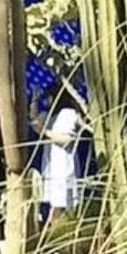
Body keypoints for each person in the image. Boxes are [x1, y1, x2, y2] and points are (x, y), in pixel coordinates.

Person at [40, 83, 83, 218]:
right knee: (54, 203)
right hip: (51, 166)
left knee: (63, 203)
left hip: (62, 166)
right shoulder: (50, 117)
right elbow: (34, 119)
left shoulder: (68, 114)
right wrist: (35, 99)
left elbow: (66, 140)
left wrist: (46, 132)